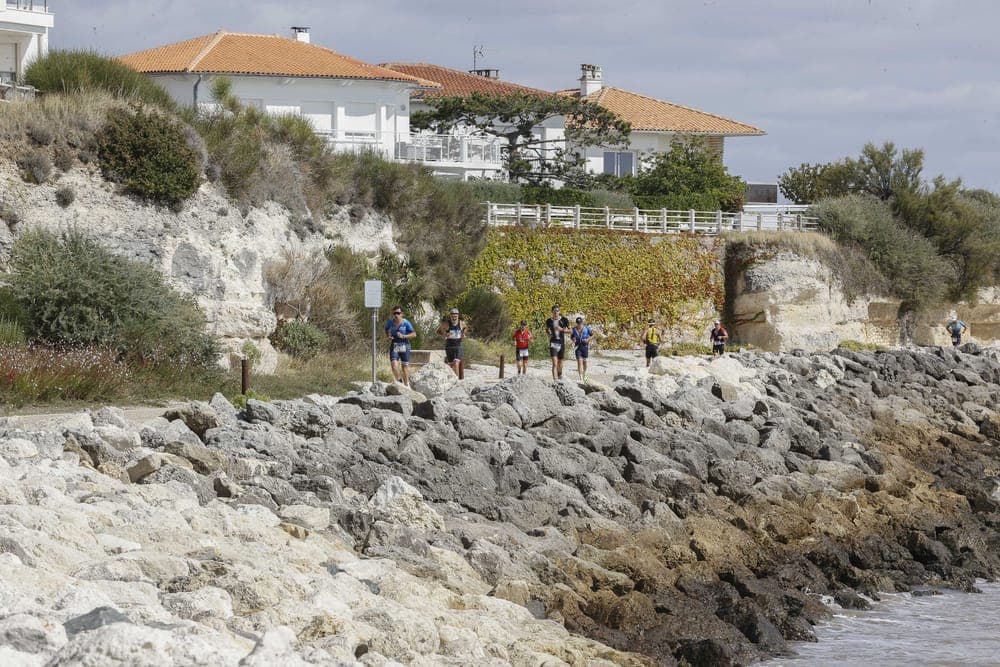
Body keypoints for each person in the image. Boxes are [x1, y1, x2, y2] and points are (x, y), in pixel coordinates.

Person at [385, 306, 416, 386]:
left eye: (398, 313)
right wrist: (388, 336)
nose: (396, 315)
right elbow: (386, 329)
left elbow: (414, 334)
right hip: (395, 344)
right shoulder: (390, 322)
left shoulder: (406, 323)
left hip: (404, 344)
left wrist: (404, 336)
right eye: (394, 313)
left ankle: (407, 384)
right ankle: (399, 381)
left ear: (402, 314)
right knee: (394, 365)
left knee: (404, 366)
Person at [437, 308, 466, 376]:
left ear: (458, 316)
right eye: (452, 316)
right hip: (449, 346)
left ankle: (456, 380)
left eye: (455, 316)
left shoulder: (461, 323)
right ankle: (453, 378)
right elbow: (438, 332)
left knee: (456, 362)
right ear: (450, 316)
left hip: (458, 346)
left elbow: (465, 329)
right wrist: (445, 334)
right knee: (451, 364)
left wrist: (463, 334)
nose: (454, 318)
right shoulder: (446, 324)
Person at [544, 305, 571, 381]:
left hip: (561, 343)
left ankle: (559, 375)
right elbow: (547, 329)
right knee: (555, 363)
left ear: (559, 311)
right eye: (554, 311)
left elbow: (570, 331)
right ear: (552, 312)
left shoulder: (564, 320)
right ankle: (555, 381)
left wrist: (561, 329)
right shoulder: (548, 321)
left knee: (560, 363)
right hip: (553, 343)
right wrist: (548, 333)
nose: (556, 312)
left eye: (557, 311)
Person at [570, 316, 593, 381]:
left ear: (582, 322)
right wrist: (573, 339)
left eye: (580, 323)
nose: (579, 325)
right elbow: (571, 337)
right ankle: (580, 378)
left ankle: (584, 374)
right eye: (578, 323)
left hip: (585, 346)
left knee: (584, 361)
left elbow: (593, 335)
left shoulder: (587, 328)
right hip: (577, 347)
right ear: (576, 323)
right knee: (579, 362)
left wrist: (588, 339)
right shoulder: (574, 329)